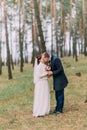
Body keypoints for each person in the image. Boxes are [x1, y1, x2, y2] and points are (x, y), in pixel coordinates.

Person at [33, 53, 50, 117]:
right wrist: (47, 72)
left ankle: (45, 109)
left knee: (45, 96)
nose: (43, 59)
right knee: (40, 96)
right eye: (41, 59)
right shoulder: (38, 66)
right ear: (39, 60)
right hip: (41, 83)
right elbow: (39, 75)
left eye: (43, 58)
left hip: (45, 82)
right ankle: (40, 111)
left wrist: (48, 72)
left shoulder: (44, 65)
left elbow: (46, 74)